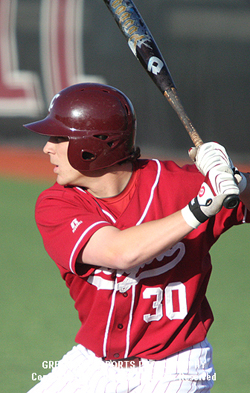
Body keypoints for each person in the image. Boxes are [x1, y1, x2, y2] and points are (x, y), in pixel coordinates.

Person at [24, 83, 250, 393]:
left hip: (175, 368)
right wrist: (198, 210)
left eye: (59, 138)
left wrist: (236, 179)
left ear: (92, 144)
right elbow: (119, 252)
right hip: (92, 363)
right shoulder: (56, 204)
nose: (46, 148)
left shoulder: (177, 185)